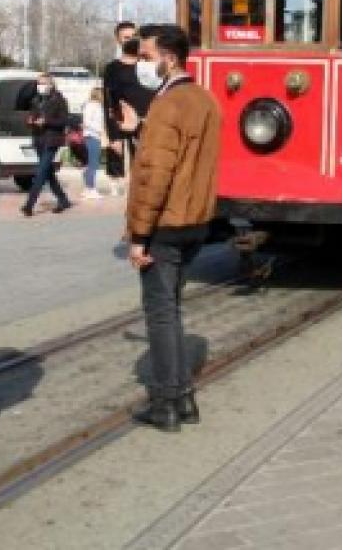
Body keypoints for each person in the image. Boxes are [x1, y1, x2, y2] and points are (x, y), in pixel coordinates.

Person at [126, 24, 221, 432]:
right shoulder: (205, 99)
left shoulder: (168, 105)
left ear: (170, 58)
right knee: (174, 309)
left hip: (165, 223)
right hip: (196, 220)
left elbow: (156, 175)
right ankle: (184, 399)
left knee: (161, 315)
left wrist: (139, 235)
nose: (141, 65)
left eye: (146, 57)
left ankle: (166, 402)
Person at [103, 21, 155, 193]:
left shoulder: (150, 65)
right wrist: (113, 137)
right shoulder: (112, 69)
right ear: (118, 41)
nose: (131, 40)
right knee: (134, 180)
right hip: (126, 126)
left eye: (134, 36)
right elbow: (109, 102)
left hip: (150, 125)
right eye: (126, 38)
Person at [21, 74, 72, 216]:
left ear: (51, 84)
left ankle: (29, 204)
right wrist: (30, 120)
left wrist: (47, 121)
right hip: (39, 139)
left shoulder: (60, 100)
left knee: (41, 172)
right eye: (38, 83)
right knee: (48, 173)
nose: (40, 86)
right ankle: (63, 200)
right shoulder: (36, 100)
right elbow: (31, 115)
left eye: (43, 83)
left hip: (52, 140)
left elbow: (64, 121)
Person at [80, 86, 106, 200]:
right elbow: (87, 122)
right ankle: (91, 188)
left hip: (94, 136)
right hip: (93, 136)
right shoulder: (91, 106)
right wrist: (100, 130)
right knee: (93, 164)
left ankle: (88, 188)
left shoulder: (97, 106)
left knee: (91, 163)